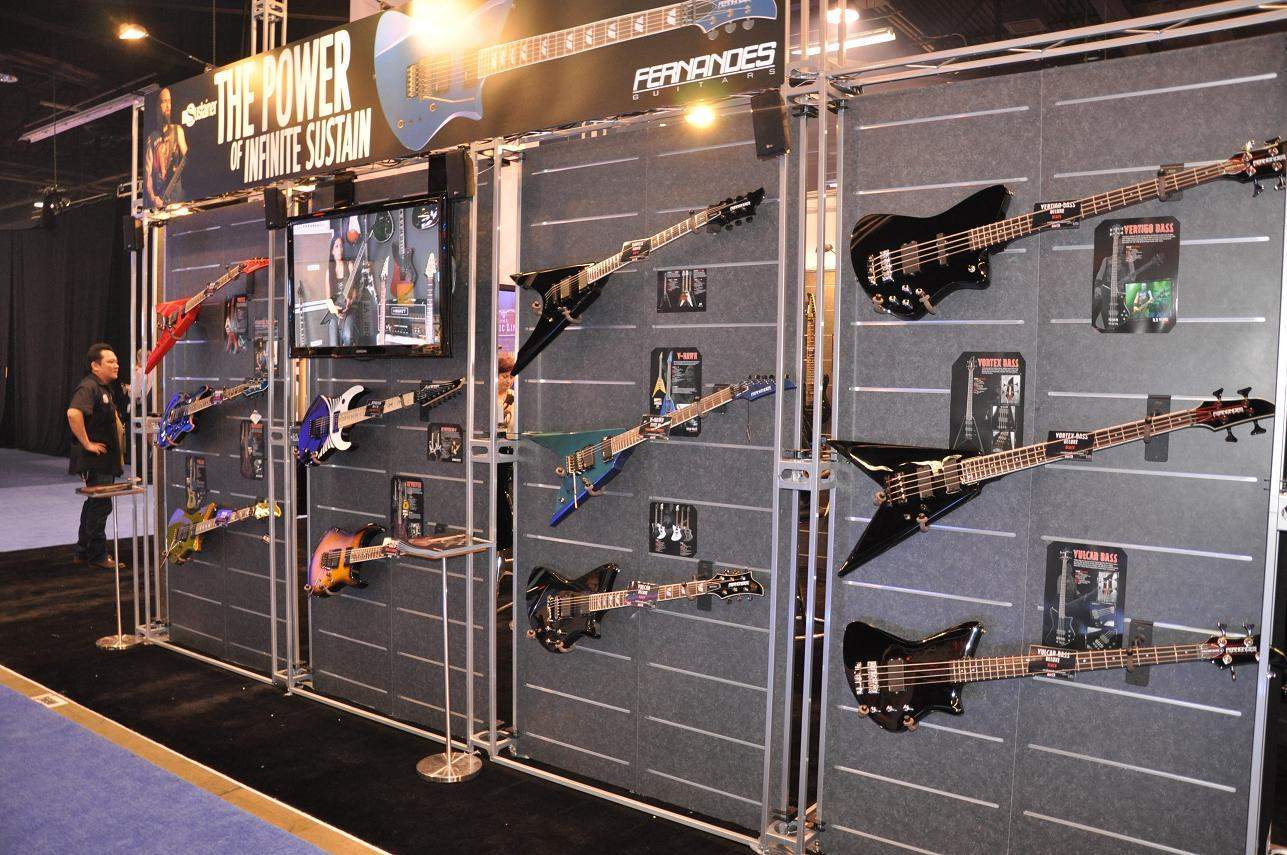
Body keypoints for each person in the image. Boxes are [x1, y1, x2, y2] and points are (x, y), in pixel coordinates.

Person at [67, 344, 129, 569]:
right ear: (95, 365)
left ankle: (83, 551)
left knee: (94, 505)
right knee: (100, 506)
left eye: (116, 361)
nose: (116, 365)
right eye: (110, 362)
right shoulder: (89, 387)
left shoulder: (104, 388)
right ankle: (97, 555)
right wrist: (87, 443)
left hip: (105, 460)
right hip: (96, 460)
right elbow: (73, 413)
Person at [144, 87, 188, 209]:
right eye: (164, 102)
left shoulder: (177, 130)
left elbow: (188, 159)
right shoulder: (152, 138)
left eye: (170, 101)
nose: (168, 106)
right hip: (159, 200)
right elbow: (147, 174)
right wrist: (153, 197)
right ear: (158, 107)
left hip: (177, 200)